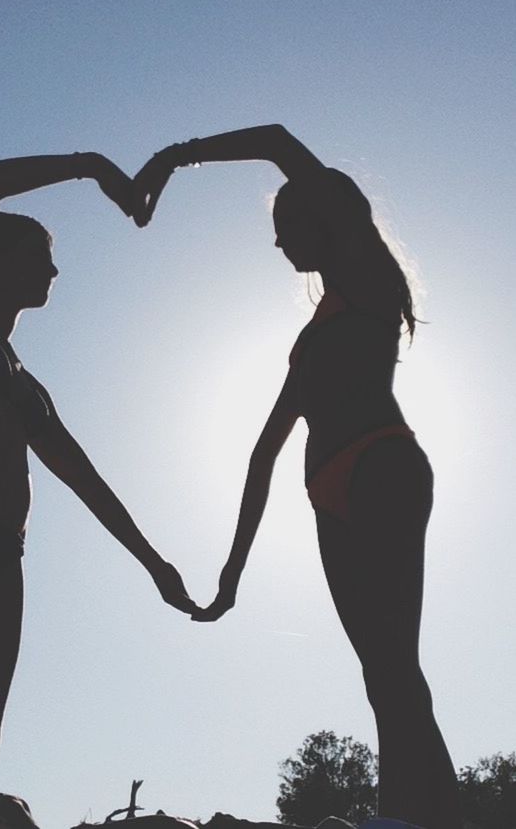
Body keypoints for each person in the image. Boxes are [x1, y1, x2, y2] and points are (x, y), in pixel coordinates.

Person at [133, 126, 461, 829]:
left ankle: (405, 816)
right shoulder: (313, 331)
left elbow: (280, 141)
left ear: (323, 217)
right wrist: (230, 579)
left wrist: (172, 158)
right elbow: (263, 452)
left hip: (381, 466)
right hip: (329, 495)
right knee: (384, 676)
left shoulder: (367, 275)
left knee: (395, 669)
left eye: (285, 226)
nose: (278, 243)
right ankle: (423, 815)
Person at [0, 152, 194, 829]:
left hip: (2, 548)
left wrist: (155, 562)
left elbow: (84, 477)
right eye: (39, 252)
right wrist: (92, 167)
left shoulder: (28, 383)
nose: (53, 269)